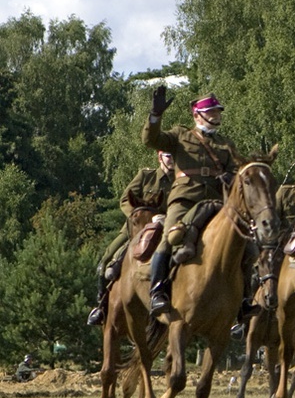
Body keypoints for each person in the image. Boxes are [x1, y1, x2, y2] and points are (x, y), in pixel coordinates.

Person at [142, 85, 252, 317]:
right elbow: (151, 140)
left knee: (247, 245)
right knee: (169, 238)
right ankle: (158, 292)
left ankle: (244, 299)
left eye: (218, 112)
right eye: (211, 112)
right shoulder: (180, 136)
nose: (216, 116)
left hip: (217, 201)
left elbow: (237, 174)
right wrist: (155, 115)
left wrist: (230, 176)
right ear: (197, 115)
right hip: (186, 199)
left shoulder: (226, 144)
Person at [87, 150, 175, 325]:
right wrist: (136, 217)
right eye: (168, 156)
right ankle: (101, 307)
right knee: (106, 260)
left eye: (173, 156)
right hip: (134, 230)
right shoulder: (145, 176)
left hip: (164, 230)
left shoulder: (180, 180)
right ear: (160, 157)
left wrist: (166, 218)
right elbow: (125, 200)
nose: (171, 159)